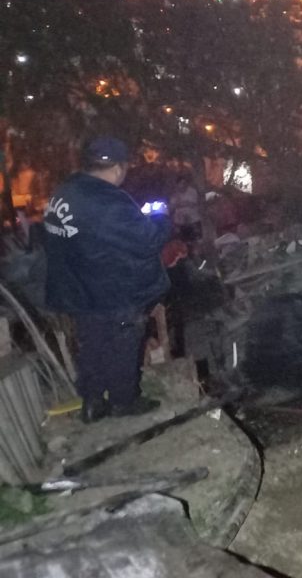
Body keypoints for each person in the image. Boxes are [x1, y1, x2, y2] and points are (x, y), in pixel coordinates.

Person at [43, 137, 170, 423]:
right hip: (111, 288)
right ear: (117, 168)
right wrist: (160, 217)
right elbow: (148, 240)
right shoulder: (108, 201)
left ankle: (92, 401)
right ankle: (123, 401)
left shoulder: (65, 191)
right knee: (123, 342)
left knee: (93, 344)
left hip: (78, 287)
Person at [169, 173, 202, 245]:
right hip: (180, 221)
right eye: (181, 184)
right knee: (183, 242)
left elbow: (194, 203)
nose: (183, 185)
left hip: (193, 220)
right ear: (177, 184)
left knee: (196, 240)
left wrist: (182, 204)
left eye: (184, 183)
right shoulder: (175, 193)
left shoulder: (192, 192)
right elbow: (172, 206)